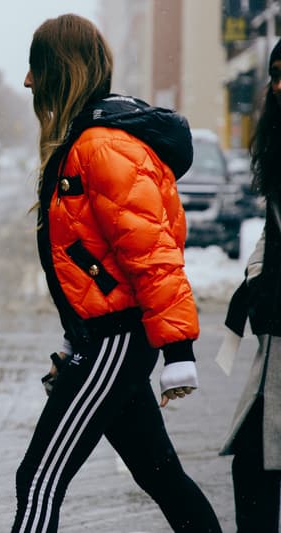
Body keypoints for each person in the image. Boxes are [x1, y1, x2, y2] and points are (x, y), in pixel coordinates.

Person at [10, 14, 222, 532]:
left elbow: (153, 254)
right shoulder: (90, 141)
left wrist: (178, 353)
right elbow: (96, 262)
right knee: (162, 477)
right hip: (105, 338)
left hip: (114, 341)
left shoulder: (103, 147)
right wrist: (74, 341)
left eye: (37, 67)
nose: (28, 82)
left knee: (37, 480)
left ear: (60, 69)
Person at [219, 38, 281, 533]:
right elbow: (272, 228)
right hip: (275, 335)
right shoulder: (278, 146)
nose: (279, 87)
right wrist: (257, 281)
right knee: (255, 463)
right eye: (275, 75)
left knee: (259, 463)